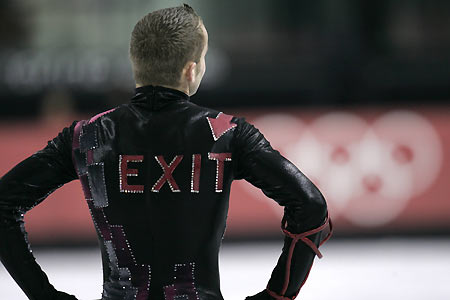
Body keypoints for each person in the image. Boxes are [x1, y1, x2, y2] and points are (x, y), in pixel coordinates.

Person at [0, 4, 332, 300]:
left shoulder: (86, 136)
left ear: (136, 64)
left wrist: (43, 295)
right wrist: (276, 295)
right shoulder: (226, 134)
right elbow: (311, 206)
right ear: (191, 70)